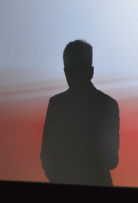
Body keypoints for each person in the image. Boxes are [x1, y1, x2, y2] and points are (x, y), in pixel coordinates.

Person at [40, 40, 120, 186]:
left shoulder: (56, 104)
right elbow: (112, 161)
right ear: (91, 71)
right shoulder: (108, 105)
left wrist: (56, 176)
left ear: (66, 72)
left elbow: (46, 153)